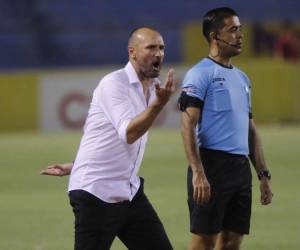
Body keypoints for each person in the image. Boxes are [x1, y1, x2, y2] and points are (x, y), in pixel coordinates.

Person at [41, 27, 175, 250]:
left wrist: (76, 165)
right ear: (132, 52)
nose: (159, 53)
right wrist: (158, 106)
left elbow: (106, 139)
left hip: (129, 192)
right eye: (151, 47)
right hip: (96, 193)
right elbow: (128, 134)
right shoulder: (114, 84)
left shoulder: (153, 88)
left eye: (161, 48)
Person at [177, 7, 273, 250]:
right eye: (232, 30)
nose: (240, 35)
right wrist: (198, 172)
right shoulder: (199, 74)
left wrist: (262, 174)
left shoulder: (242, 78)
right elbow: (187, 123)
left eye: (240, 29)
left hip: (240, 169)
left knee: (232, 241)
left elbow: (250, 130)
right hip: (212, 167)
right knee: (204, 242)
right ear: (214, 36)